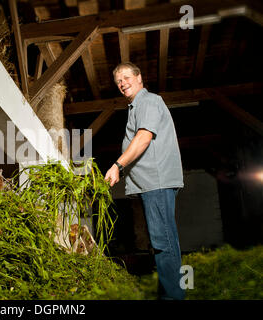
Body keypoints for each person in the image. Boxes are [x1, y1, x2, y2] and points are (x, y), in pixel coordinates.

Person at [104, 62, 185, 300]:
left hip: (157, 181)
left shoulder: (148, 101)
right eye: (118, 81)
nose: (122, 83)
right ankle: (169, 293)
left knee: (164, 241)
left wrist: (118, 165)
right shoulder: (137, 106)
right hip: (152, 183)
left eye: (127, 77)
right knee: (162, 240)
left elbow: (144, 138)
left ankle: (173, 296)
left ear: (140, 78)